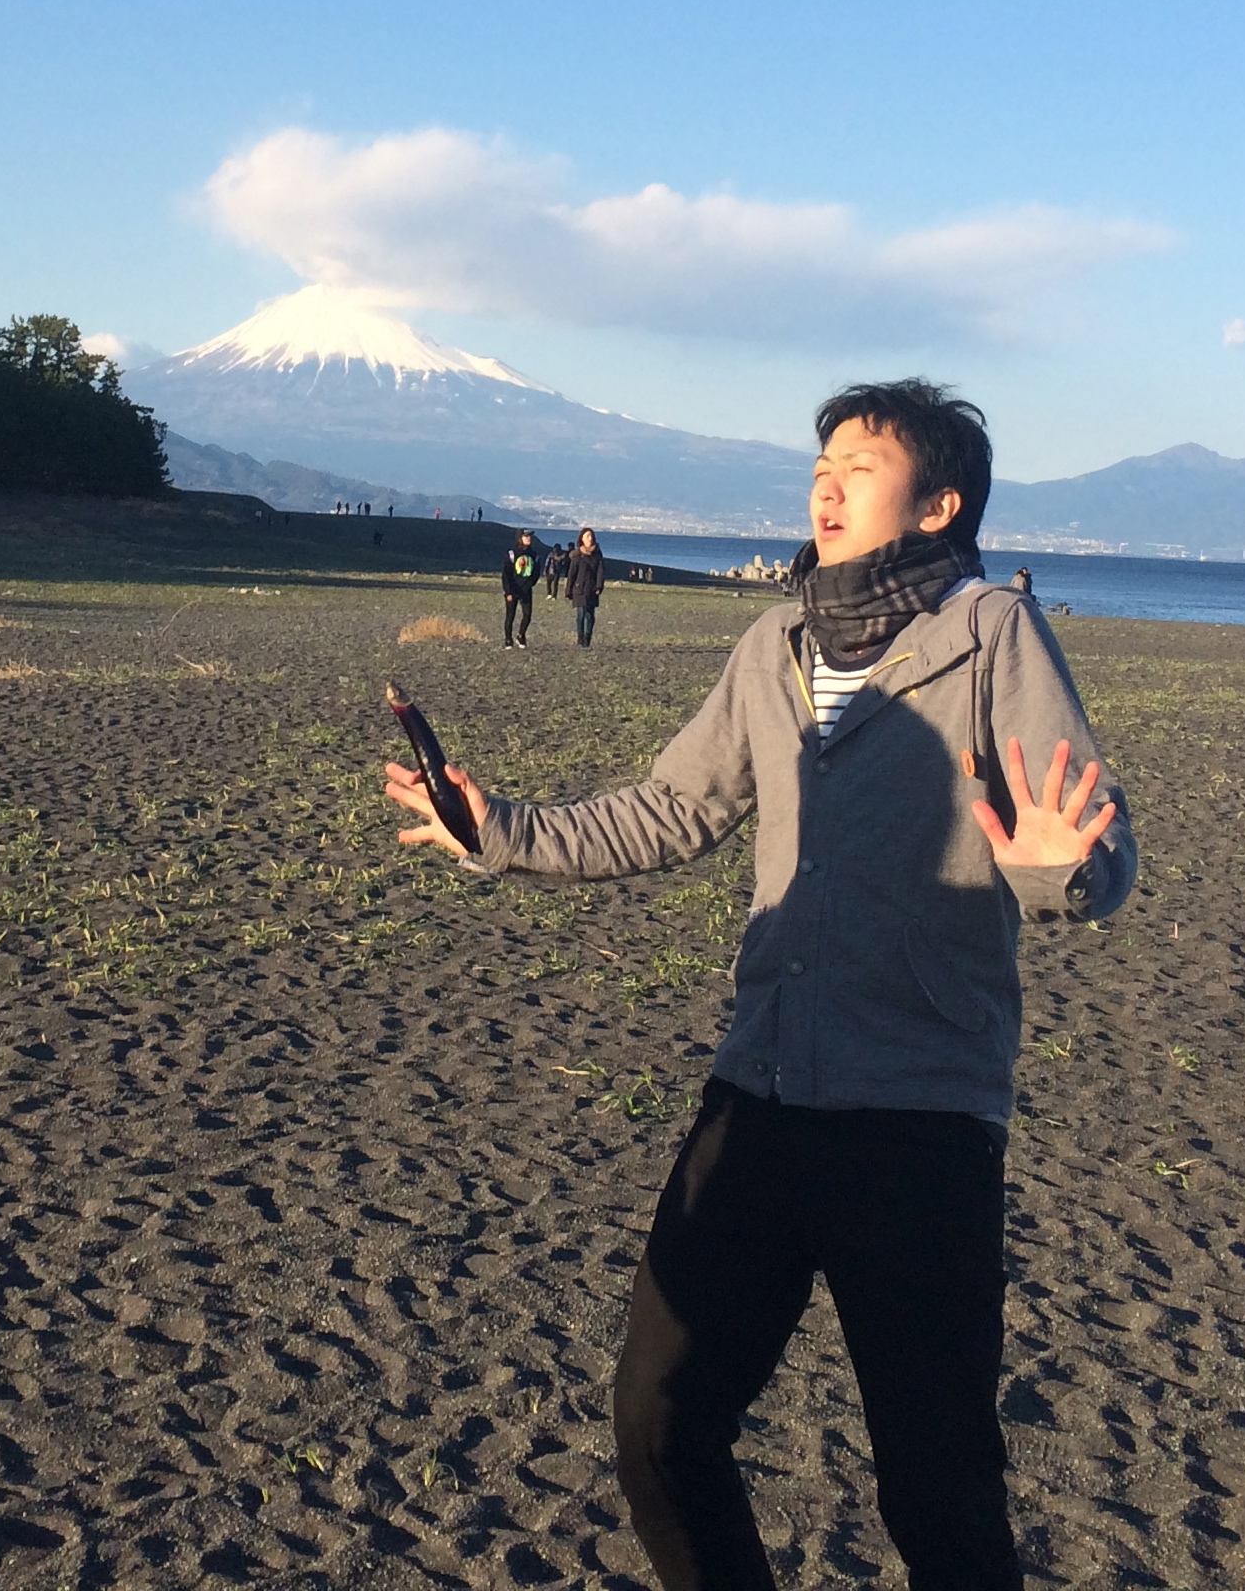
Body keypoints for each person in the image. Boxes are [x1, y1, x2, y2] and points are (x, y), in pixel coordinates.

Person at [386, 380, 1134, 1591]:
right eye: (821, 467)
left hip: (919, 1118)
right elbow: (670, 809)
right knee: (659, 1423)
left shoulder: (992, 632)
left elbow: (1094, 846)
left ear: (940, 504)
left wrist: (1059, 868)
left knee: (936, 1487)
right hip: (763, 1095)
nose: (826, 488)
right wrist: (499, 829)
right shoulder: (775, 645)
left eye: (860, 468)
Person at [566, 526, 609, 647]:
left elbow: (600, 571)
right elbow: (571, 574)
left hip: (592, 589)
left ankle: (587, 638)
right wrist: (568, 591)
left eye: (591, 536)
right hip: (579, 589)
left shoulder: (597, 555)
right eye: (587, 536)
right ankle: (580, 638)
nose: (590, 538)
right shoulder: (577, 555)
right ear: (582, 539)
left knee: (590, 616)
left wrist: (599, 586)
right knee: (581, 614)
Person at [500, 528, 541, 647]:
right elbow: (506, 573)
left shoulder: (534, 554)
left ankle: (521, 635)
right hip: (513, 589)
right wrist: (508, 591)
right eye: (526, 536)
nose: (529, 538)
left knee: (527, 615)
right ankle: (508, 639)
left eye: (530, 536)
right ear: (520, 538)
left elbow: (536, 571)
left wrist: (531, 583)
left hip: (526, 589)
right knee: (510, 616)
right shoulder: (512, 553)